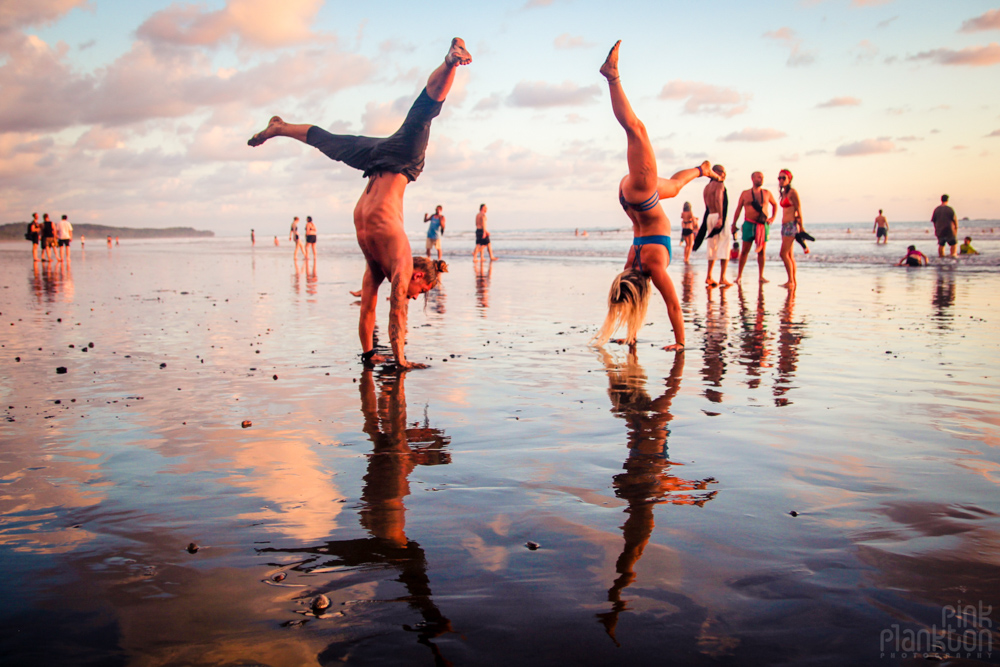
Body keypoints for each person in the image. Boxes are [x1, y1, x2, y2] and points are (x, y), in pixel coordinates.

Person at [248, 38, 470, 369]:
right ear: (421, 277)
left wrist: (369, 356)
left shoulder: (377, 265)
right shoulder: (402, 261)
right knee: (423, 115)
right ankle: (452, 60)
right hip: (401, 162)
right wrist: (401, 360)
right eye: (420, 292)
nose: (415, 296)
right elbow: (397, 308)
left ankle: (280, 127)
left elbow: (368, 308)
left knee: (331, 143)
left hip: (375, 163)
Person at [592, 41, 720, 352]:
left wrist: (680, 342)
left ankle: (612, 76)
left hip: (639, 197)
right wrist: (630, 336)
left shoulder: (652, 267)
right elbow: (631, 299)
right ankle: (702, 169)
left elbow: (674, 306)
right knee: (675, 188)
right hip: (634, 203)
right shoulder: (631, 265)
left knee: (636, 130)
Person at [731, 171, 777, 284]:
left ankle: (761, 276)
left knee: (762, 251)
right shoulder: (745, 193)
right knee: (745, 251)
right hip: (749, 224)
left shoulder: (767, 193)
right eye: (758, 177)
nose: (761, 179)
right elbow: (738, 209)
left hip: (762, 225)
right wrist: (734, 223)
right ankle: (739, 276)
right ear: (752, 178)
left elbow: (775, 204)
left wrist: (772, 218)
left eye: (762, 177)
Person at [702, 164, 731, 287]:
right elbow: (719, 199)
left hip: (710, 216)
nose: (724, 175)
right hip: (718, 216)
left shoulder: (707, 187)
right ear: (715, 172)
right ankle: (722, 277)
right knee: (724, 245)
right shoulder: (719, 184)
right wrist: (721, 217)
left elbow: (706, 205)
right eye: (722, 172)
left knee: (712, 246)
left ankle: (709, 276)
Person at [776, 169, 802, 289]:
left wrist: (801, 227)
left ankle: (791, 280)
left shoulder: (792, 192)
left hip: (791, 225)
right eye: (779, 178)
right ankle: (793, 281)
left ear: (789, 179)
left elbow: (799, 209)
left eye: (783, 178)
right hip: (784, 225)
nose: (781, 180)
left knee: (783, 253)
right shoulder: (784, 193)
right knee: (790, 255)